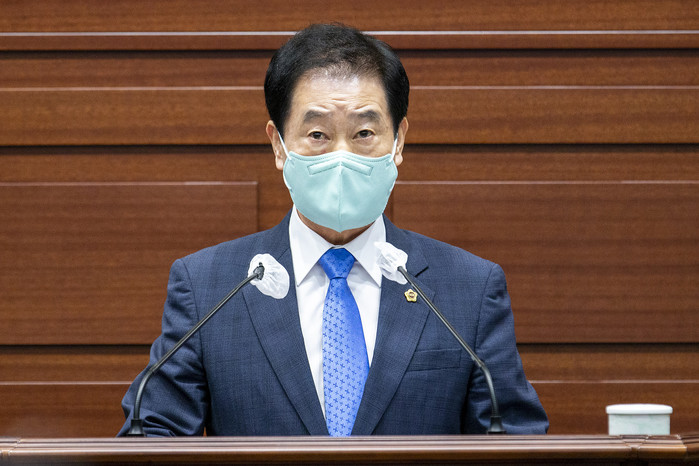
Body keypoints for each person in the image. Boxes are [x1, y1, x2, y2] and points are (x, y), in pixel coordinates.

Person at [119, 23, 548, 436]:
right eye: (318, 134)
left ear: (398, 141)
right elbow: (153, 435)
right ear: (278, 145)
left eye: (364, 132)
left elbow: (514, 440)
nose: (342, 156)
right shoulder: (209, 287)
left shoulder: (470, 289)